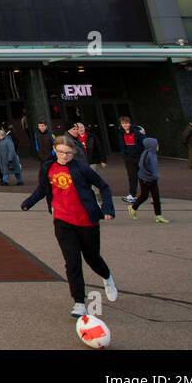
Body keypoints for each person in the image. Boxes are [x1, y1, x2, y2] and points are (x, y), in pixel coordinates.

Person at [21, 134, 118, 317]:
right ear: (54, 150)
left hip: (86, 221)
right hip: (63, 221)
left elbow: (104, 187)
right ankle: (79, 302)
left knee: (92, 258)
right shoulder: (48, 167)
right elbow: (43, 188)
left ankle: (107, 277)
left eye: (68, 153)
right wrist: (29, 202)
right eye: (60, 152)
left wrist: (107, 208)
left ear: (73, 152)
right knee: (72, 261)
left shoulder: (81, 168)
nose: (64, 156)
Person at [128, 137, 167, 223]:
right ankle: (133, 207)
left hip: (153, 178)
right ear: (151, 145)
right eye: (156, 144)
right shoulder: (146, 154)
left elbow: (152, 166)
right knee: (144, 196)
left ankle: (158, 216)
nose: (158, 145)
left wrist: (155, 175)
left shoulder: (153, 154)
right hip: (145, 179)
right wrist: (150, 174)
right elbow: (142, 166)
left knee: (156, 197)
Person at [115, 116, 145, 201]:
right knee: (132, 176)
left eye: (126, 123)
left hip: (139, 157)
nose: (125, 125)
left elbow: (144, 142)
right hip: (129, 158)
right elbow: (122, 145)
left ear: (129, 123)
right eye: (123, 123)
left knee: (144, 176)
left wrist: (142, 155)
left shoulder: (137, 132)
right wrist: (124, 156)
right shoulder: (121, 133)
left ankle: (148, 194)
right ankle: (132, 195)